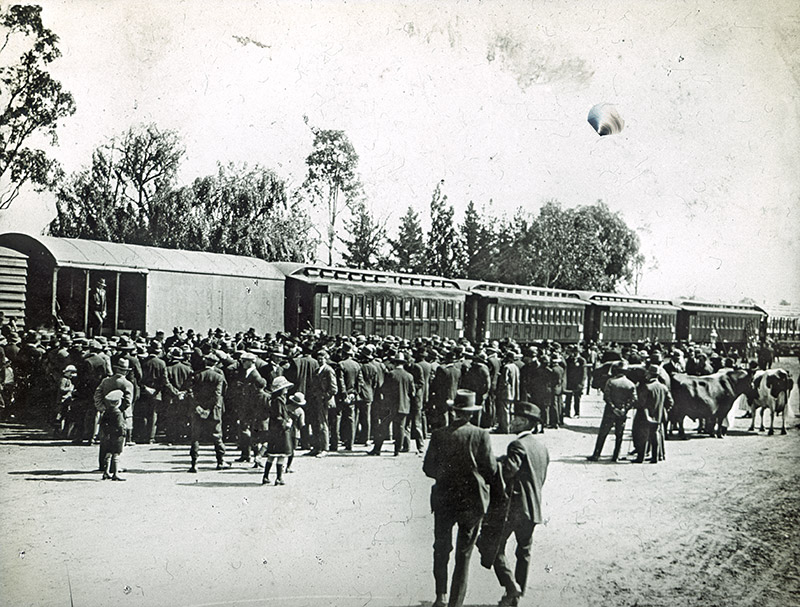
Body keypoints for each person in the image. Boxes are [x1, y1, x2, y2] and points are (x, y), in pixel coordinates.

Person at [423, 389, 498, 607]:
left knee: (441, 548)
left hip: (444, 498)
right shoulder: (481, 435)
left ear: (453, 410)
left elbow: (428, 468)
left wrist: (446, 475)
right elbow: (491, 469)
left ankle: (440, 596)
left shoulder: (439, 435)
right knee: (464, 553)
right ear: (472, 414)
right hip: (472, 501)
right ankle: (456, 602)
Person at [482, 401, 549, 607]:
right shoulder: (541, 447)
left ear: (525, 421)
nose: (512, 421)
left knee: (490, 546)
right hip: (533, 508)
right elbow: (532, 474)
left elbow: (508, 471)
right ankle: (517, 596)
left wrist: (491, 463)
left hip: (514, 508)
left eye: (516, 418)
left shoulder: (517, 445)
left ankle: (512, 588)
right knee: (524, 551)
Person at [587, 362, 637, 462]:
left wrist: (613, 407)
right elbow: (634, 399)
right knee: (619, 435)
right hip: (622, 413)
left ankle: (596, 455)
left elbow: (606, 396)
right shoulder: (630, 384)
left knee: (603, 433)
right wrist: (624, 409)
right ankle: (616, 456)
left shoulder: (611, 382)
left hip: (610, 411)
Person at [369, 352, 415, 456]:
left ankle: (377, 449)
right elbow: (412, 392)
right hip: (404, 406)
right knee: (400, 429)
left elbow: (384, 389)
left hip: (390, 406)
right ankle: (397, 450)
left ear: (394, 363)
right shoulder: (409, 376)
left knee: (383, 428)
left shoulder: (391, 374)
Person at [188, 354, 228, 473]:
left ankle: (194, 464)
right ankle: (220, 461)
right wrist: (208, 409)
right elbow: (218, 395)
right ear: (215, 363)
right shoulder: (218, 377)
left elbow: (190, 393)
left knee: (195, 436)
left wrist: (198, 406)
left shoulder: (195, 375)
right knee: (217, 435)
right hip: (214, 410)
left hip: (197, 409)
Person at [632, 364, 673, 463]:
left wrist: (634, 403)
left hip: (644, 415)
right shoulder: (663, 387)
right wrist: (663, 410)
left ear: (650, 374)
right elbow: (670, 402)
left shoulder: (647, 387)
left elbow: (641, 403)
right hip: (658, 416)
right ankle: (655, 457)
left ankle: (640, 458)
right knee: (655, 436)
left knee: (643, 436)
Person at [261, 376, 294, 485]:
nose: (287, 390)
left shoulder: (274, 400)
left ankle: (266, 476)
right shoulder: (279, 401)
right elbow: (279, 417)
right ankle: (279, 477)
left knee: (272, 455)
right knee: (281, 455)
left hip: (274, 430)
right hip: (281, 431)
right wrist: (287, 423)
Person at [98, 389, 126, 481]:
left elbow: (102, 423)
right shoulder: (118, 413)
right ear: (118, 402)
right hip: (116, 436)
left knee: (108, 454)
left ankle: (105, 472)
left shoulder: (107, 411)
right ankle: (115, 473)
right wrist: (123, 431)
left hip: (108, 435)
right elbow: (119, 425)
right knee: (116, 454)